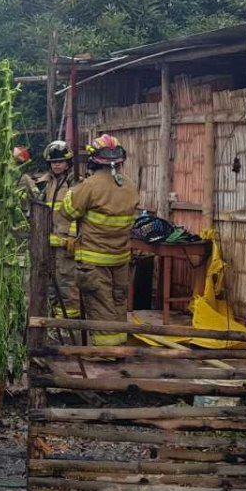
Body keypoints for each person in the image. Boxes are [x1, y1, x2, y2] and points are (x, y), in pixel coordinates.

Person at [60, 134, 139, 346]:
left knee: (101, 306)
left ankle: (107, 354)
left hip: (94, 261)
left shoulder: (90, 186)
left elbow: (68, 212)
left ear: (93, 159)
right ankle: (120, 346)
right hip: (121, 259)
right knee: (118, 302)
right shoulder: (130, 185)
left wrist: (73, 191)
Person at [38, 140, 80, 319]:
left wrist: (73, 236)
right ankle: (50, 317)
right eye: (53, 162)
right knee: (48, 281)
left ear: (68, 163)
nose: (56, 165)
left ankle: (68, 321)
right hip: (48, 243)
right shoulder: (45, 184)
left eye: (60, 161)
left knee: (67, 282)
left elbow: (79, 212)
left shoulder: (76, 184)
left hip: (66, 243)